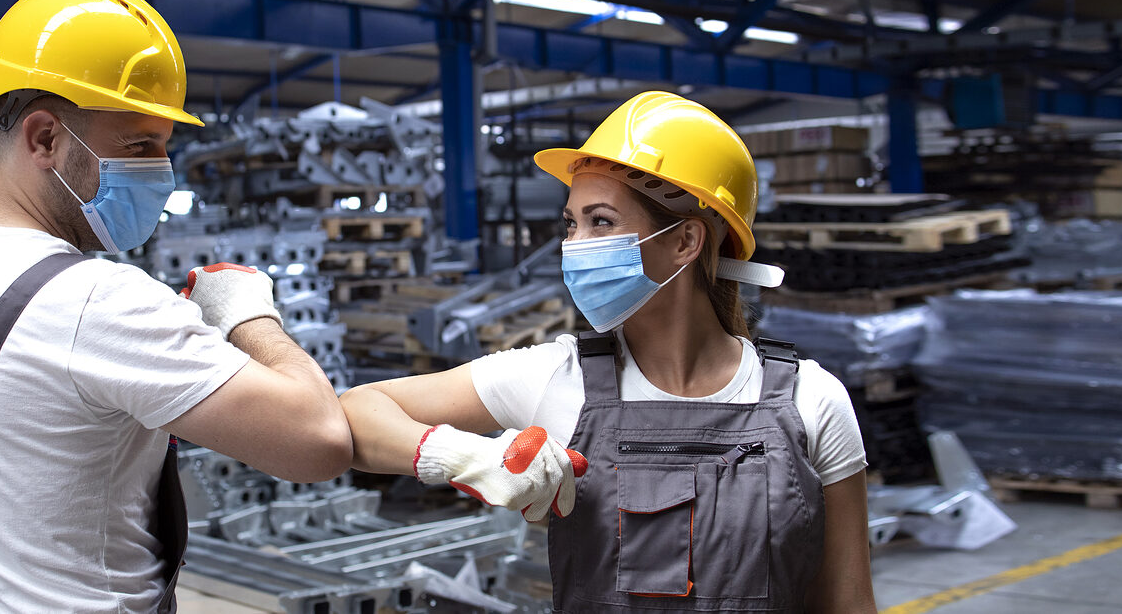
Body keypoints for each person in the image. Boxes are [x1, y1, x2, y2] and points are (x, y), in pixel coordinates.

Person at [0, 0, 351, 613]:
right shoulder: (94, 300)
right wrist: (245, 313)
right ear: (44, 138)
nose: (159, 173)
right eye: (138, 145)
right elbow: (318, 440)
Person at [342, 91, 876, 613]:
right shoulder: (553, 378)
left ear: (686, 241)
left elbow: (849, 601)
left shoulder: (812, 401)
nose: (574, 246)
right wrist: (469, 458)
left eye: (601, 222)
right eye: (571, 223)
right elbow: (356, 412)